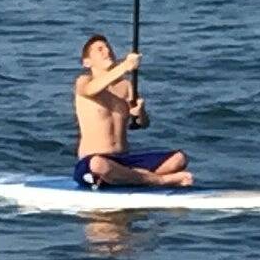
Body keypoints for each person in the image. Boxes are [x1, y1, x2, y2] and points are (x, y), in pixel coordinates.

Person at [72, 34, 192, 188]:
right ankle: (158, 180)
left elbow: (143, 123)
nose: (107, 51)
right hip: (93, 161)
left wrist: (140, 113)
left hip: (123, 159)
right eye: (99, 50)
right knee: (98, 165)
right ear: (86, 62)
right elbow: (90, 90)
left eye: (108, 48)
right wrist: (125, 66)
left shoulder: (126, 86)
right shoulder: (84, 81)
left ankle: (130, 177)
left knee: (179, 158)